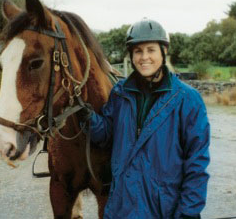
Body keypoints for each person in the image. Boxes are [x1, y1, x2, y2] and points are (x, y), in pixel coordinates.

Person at [79, 18, 210, 219]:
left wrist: (188, 214)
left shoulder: (188, 100)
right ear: (131, 55)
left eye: (151, 50)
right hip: (121, 208)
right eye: (138, 51)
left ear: (163, 52)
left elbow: (196, 164)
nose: (144, 57)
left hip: (163, 210)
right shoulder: (120, 94)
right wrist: (88, 117)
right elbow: (106, 135)